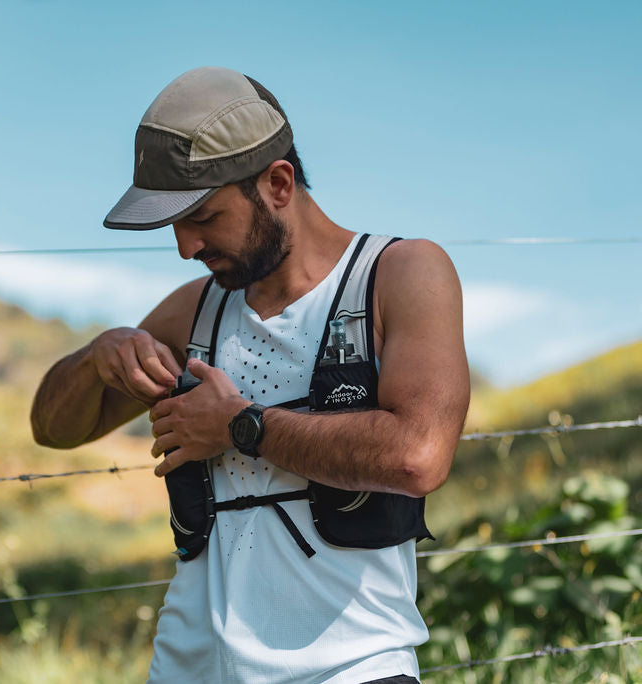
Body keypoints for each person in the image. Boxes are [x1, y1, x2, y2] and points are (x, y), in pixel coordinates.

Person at [30, 66, 469, 684]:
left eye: (203, 217)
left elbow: (419, 456)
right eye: (173, 226)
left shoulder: (399, 274)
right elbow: (53, 429)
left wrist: (241, 427)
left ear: (278, 183)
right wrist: (95, 358)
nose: (185, 247)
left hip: (351, 669)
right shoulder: (196, 309)